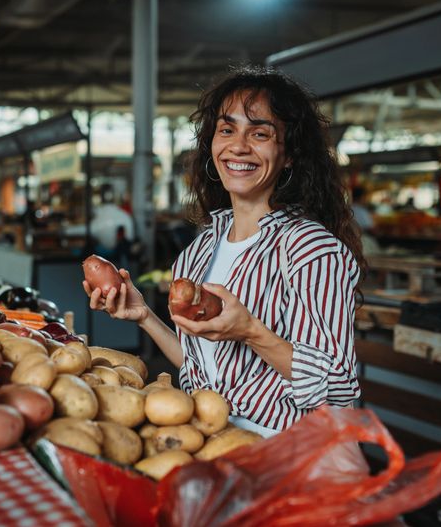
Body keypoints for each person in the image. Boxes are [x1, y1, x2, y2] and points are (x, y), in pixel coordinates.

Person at [83, 66, 365, 438]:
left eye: (260, 133)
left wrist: (252, 332)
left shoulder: (311, 249)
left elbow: (338, 389)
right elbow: (200, 364)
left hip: (284, 452)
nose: (238, 145)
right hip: (208, 438)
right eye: (227, 129)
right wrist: (145, 316)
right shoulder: (200, 250)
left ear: (290, 154)